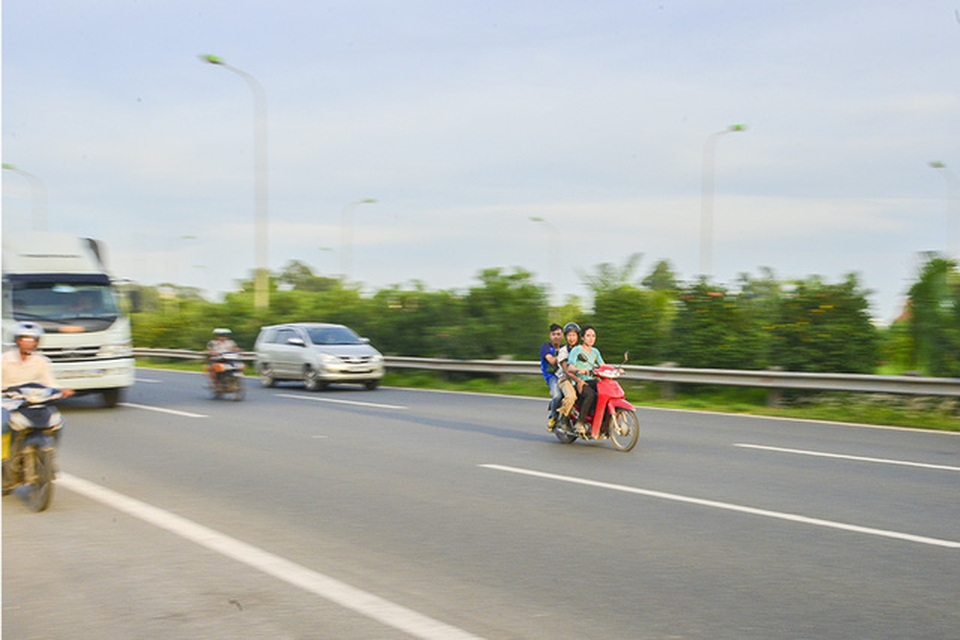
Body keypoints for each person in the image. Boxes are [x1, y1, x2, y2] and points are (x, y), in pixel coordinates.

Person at [2, 322, 74, 435]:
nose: (28, 344)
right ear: (17, 341)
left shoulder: (41, 361)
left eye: (32, 341)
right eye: (24, 340)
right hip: (6, 402)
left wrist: (61, 390)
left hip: (31, 401)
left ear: (37, 343)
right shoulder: (4, 360)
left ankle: (49, 448)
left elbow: (49, 381)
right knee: (4, 425)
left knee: (55, 421)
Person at [566, 324, 605, 436]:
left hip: (592, 380)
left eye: (593, 336)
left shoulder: (595, 352)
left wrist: (616, 370)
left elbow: (602, 365)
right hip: (579, 381)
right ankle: (580, 422)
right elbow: (570, 367)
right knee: (590, 395)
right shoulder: (576, 350)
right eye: (588, 335)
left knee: (602, 394)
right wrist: (579, 370)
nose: (591, 338)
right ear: (582, 338)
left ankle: (598, 421)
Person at [553, 322, 580, 430]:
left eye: (574, 335)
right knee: (571, 397)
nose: (571, 338)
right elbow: (567, 370)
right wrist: (578, 380)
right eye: (569, 335)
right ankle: (563, 420)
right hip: (566, 379)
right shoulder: (563, 351)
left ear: (578, 336)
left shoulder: (581, 349)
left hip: (580, 378)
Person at [539, 324, 563, 429]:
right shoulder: (546, 348)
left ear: (562, 336)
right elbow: (552, 361)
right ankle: (554, 417)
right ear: (550, 336)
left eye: (558, 334)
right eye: (554, 334)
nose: (556, 337)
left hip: (565, 375)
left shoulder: (565, 348)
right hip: (552, 376)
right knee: (557, 396)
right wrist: (563, 355)